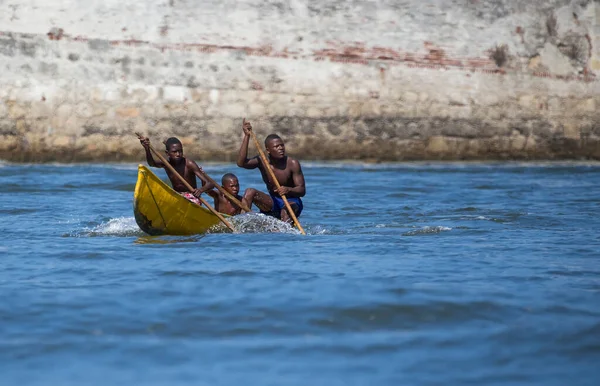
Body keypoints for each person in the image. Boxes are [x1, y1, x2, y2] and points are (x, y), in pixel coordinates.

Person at [236, 119, 305, 223]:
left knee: (285, 212)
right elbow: (241, 163)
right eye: (276, 146)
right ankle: (242, 222)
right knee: (250, 192)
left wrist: (288, 190)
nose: (281, 148)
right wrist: (247, 136)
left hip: (291, 202)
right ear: (268, 150)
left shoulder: (292, 163)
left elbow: (302, 191)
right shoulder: (262, 160)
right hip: (273, 202)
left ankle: (284, 230)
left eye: (282, 145)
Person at [139, 136, 214, 205]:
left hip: (191, 196)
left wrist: (200, 190)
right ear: (167, 153)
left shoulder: (189, 164)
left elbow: (210, 184)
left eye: (180, 151)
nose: (178, 154)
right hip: (176, 195)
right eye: (174, 152)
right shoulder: (166, 163)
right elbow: (152, 164)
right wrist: (147, 149)